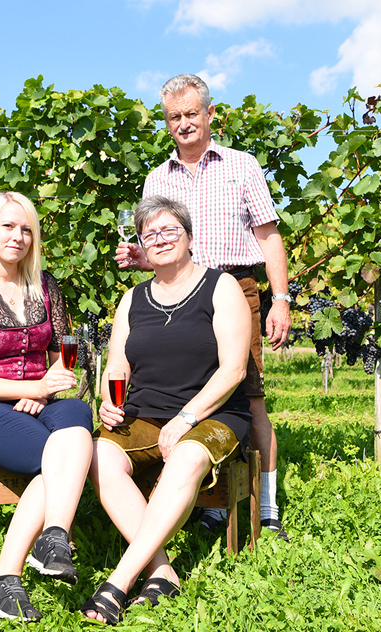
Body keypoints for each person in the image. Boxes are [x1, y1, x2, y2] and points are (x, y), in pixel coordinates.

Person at [117, 74, 291, 539]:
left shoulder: (241, 165)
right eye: (175, 117)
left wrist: (281, 299)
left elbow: (268, 235)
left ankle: (267, 506)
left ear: (210, 114)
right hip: (178, 295)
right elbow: (157, 245)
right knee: (189, 394)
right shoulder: (158, 178)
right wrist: (140, 258)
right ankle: (206, 500)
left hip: (235, 290)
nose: (184, 123)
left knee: (248, 398)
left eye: (192, 113)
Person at [83, 196, 252, 625]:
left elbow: (233, 370)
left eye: (169, 230)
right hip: (143, 413)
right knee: (99, 454)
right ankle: (162, 570)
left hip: (212, 416)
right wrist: (109, 400)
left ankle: (118, 582)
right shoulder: (132, 299)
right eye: (149, 234)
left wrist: (186, 418)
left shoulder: (220, 287)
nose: (159, 240)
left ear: (189, 238)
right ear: (141, 243)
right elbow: (118, 365)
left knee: (188, 454)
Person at [0, 191, 93, 622]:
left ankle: (53, 538)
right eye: (8, 226)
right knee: (58, 454)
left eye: (26, 228)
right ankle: (4, 576)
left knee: (77, 417)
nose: (18, 236)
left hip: (41, 397)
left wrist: (52, 381)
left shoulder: (45, 287)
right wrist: (27, 387)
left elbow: (62, 355)